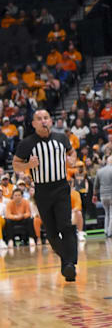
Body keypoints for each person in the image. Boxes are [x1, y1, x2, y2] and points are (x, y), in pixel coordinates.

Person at [12, 110, 78, 281]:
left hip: (61, 187)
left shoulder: (61, 138)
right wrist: (28, 164)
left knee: (66, 226)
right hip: (42, 190)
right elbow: (15, 165)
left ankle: (70, 265)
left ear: (50, 121)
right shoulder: (27, 143)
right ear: (33, 124)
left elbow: (71, 152)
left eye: (46, 118)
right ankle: (67, 263)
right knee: (51, 232)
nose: (43, 121)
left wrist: (72, 159)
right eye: (39, 119)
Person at [93, 155, 112, 238]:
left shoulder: (99, 171)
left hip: (103, 195)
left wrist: (95, 194)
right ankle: (110, 233)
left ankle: (106, 231)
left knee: (107, 213)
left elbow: (96, 184)